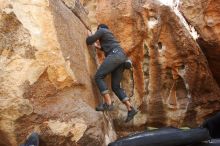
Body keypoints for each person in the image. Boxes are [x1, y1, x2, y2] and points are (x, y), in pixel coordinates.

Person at [86, 24, 138, 122]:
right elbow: (105, 47)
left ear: (99, 28)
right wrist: (98, 46)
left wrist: (90, 35)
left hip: (115, 55)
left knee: (99, 77)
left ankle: (108, 104)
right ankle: (130, 108)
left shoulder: (101, 30)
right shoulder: (109, 35)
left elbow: (89, 41)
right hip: (122, 57)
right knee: (115, 86)